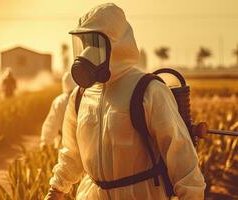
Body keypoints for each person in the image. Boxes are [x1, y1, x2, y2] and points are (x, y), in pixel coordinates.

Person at [45, 3, 205, 200]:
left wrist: (191, 195)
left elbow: (180, 154)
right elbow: (72, 153)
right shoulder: (80, 96)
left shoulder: (148, 90)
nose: (88, 51)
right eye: (85, 43)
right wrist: (56, 190)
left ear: (117, 44)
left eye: (96, 43)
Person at [40, 72, 76, 149]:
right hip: (82, 145)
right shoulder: (84, 98)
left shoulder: (59, 102)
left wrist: (45, 142)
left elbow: (51, 123)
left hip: (63, 144)